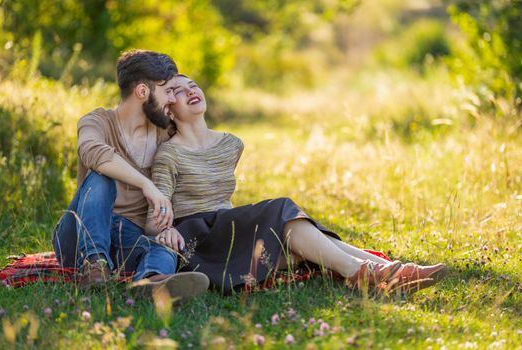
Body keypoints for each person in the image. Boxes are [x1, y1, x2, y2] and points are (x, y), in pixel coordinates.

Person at [145, 74, 448, 295]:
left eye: (192, 84)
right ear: (168, 110)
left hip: (230, 226)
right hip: (201, 239)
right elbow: (154, 220)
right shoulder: (169, 154)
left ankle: (389, 269)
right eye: (178, 91)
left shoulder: (230, 144)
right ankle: (367, 273)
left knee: (293, 230)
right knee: (282, 210)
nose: (190, 90)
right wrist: (166, 229)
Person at [52, 51, 209, 301]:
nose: (172, 98)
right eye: (167, 90)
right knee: (101, 176)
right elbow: (92, 152)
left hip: (129, 237)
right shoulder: (97, 121)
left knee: (164, 245)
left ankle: (152, 281)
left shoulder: (164, 134)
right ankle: (94, 264)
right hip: (79, 236)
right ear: (143, 92)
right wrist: (146, 184)